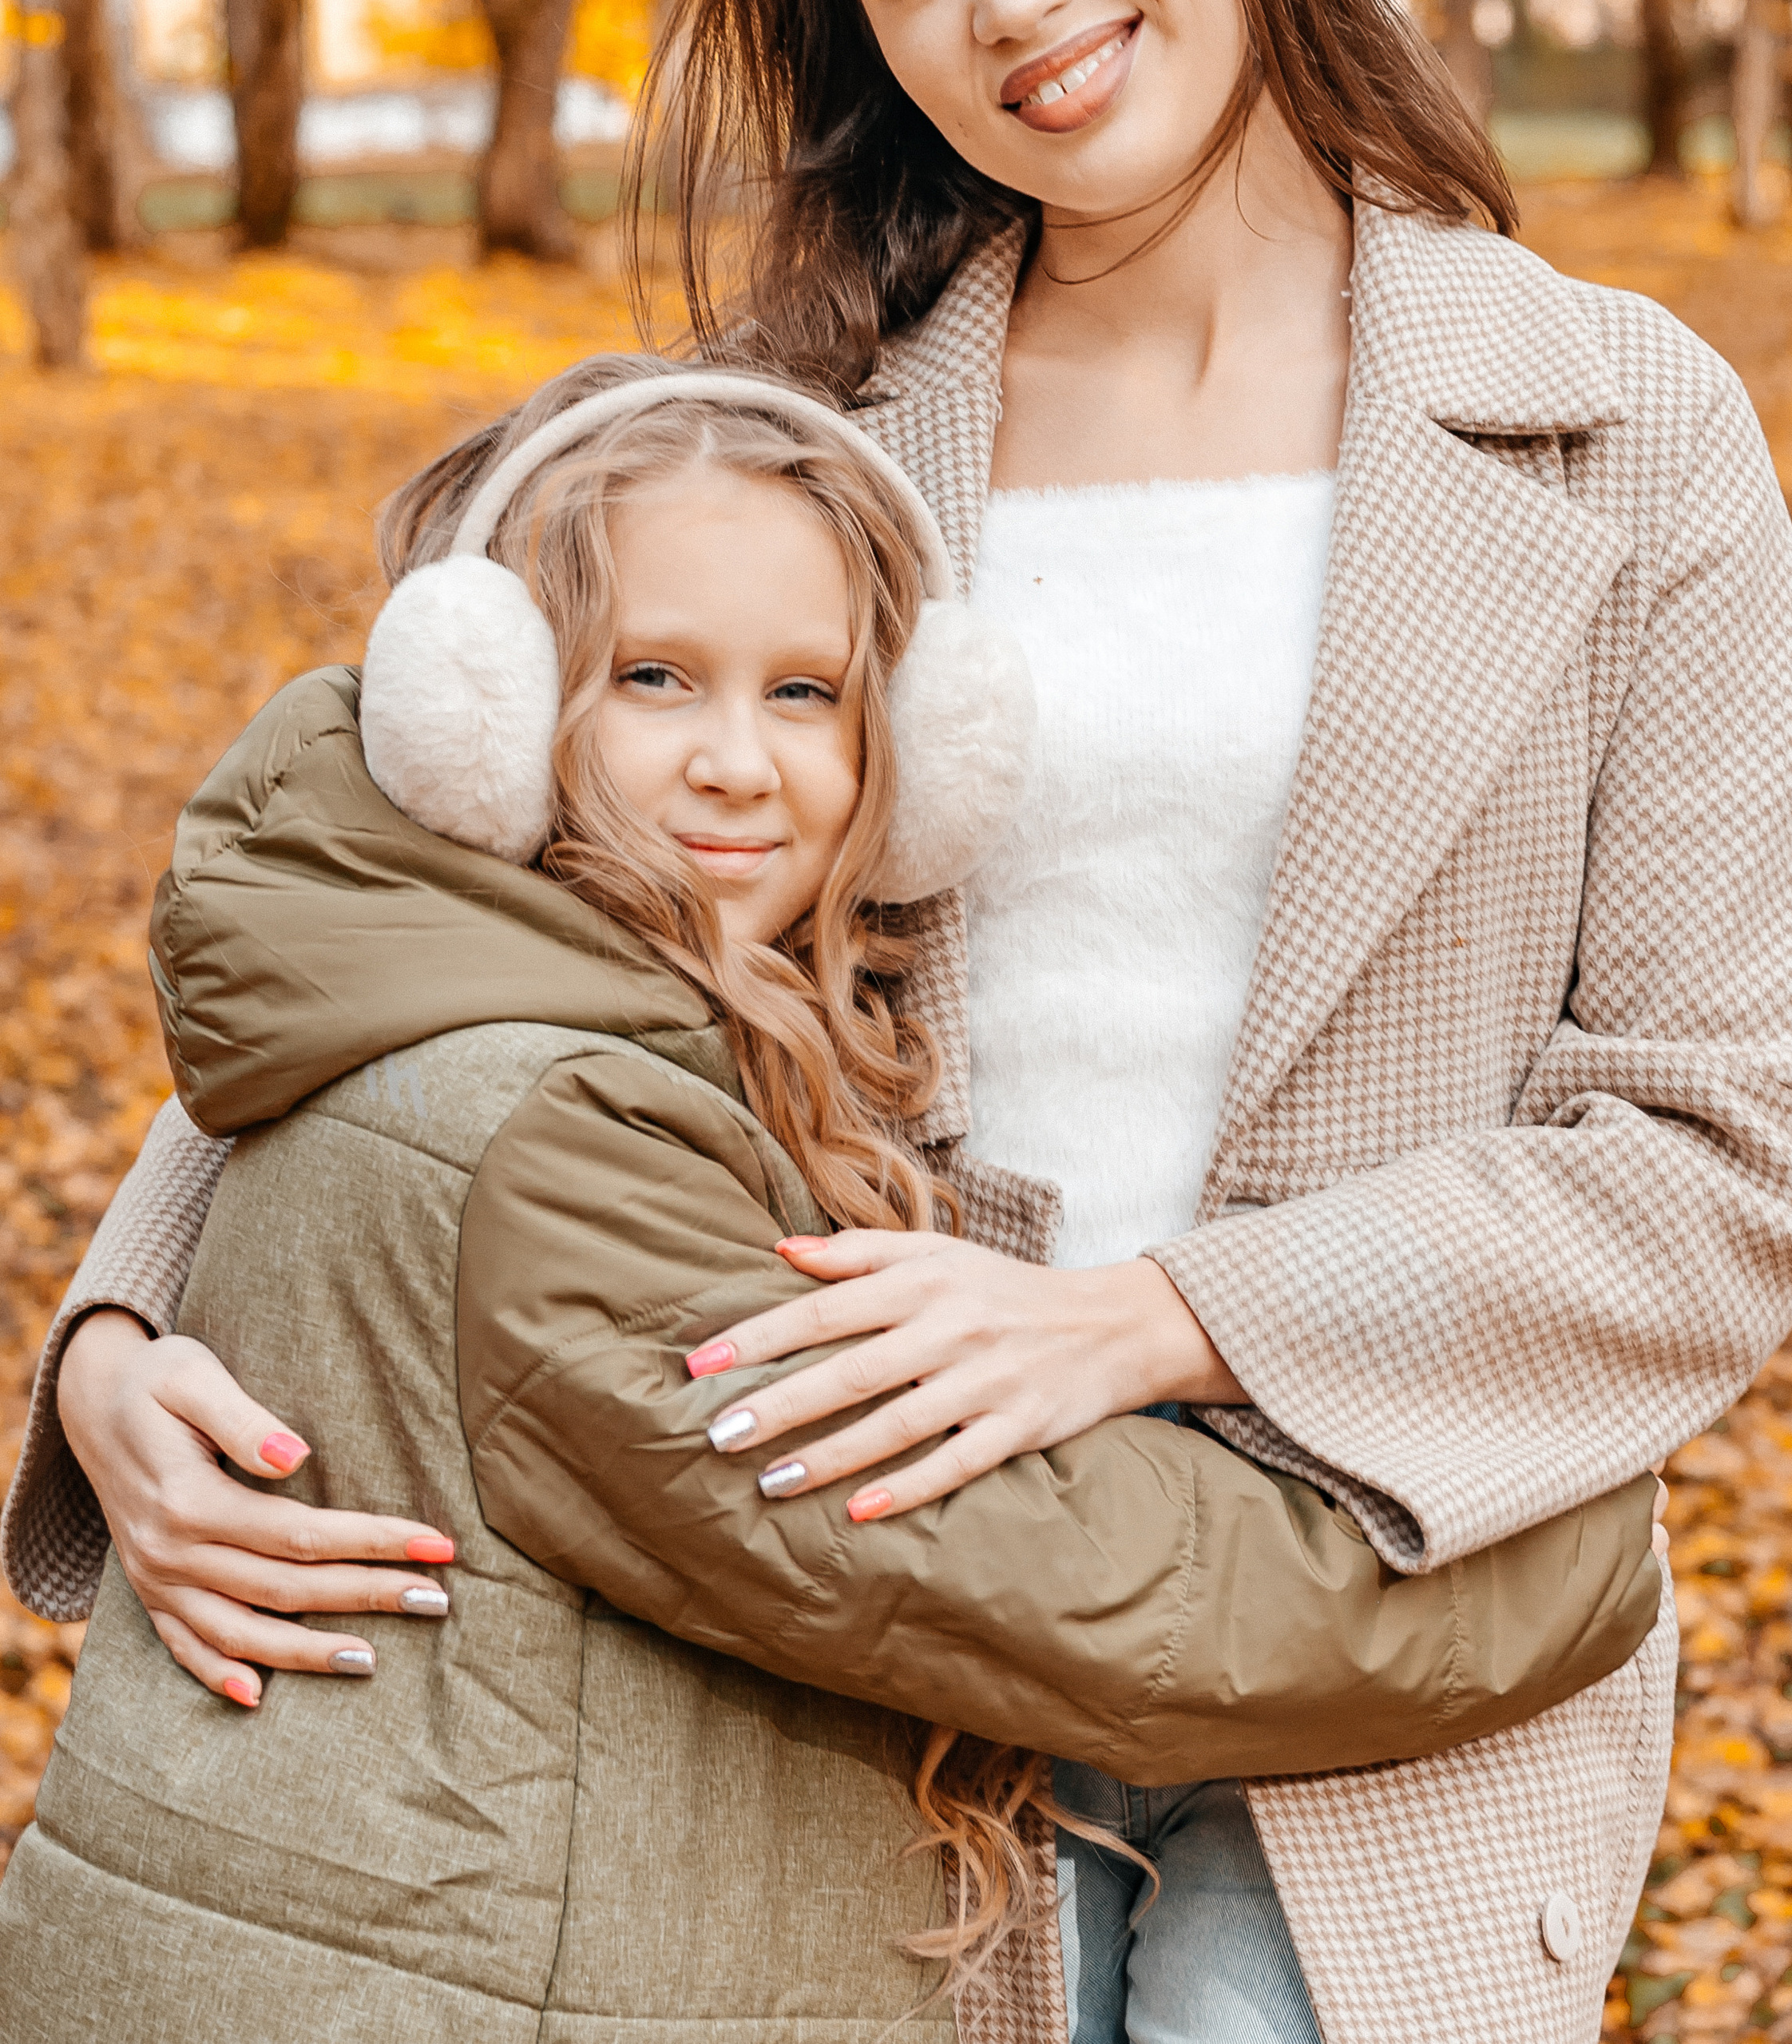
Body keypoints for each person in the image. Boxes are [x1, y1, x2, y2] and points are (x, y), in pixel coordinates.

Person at [2, 0, 1792, 2044]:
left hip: (1390, 1629)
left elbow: (1720, 1147)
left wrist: (1145, 1323)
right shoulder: (799, 432)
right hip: (839, 1629)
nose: (1009, 0)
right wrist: (129, 1329)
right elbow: (432, 892)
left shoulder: (1625, 433)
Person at [0, 364, 1660, 2041]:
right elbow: (1026, 1576)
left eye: (804, 693)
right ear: (481, 713)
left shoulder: (456, 995)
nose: (734, 763)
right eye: (654, 679)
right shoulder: (558, 1130)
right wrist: (1557, 1547)